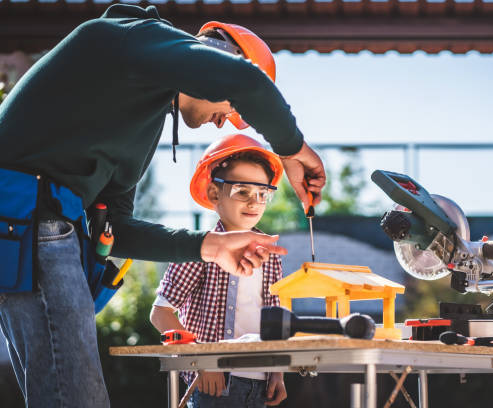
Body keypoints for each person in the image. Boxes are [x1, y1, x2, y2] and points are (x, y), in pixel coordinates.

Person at [0, 4, 325, 407]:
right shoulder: (132, 37)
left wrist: (209, 246)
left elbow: (113, 227)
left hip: (27, 229)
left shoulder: (143, 121)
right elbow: (247, 82)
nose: (224, 121)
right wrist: (293, 151)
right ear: (213, 61)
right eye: (233, 110)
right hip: (30, 218)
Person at [151, 134, 287, 407]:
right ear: (215, 193)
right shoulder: (199, 250)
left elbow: (274, 320)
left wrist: (278, 372)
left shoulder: (269, 256)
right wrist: (201, 361)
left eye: (263, 194)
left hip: (260, 382)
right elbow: (160, 314)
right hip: (215, 383)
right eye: (242, 191)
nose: (254, 202)